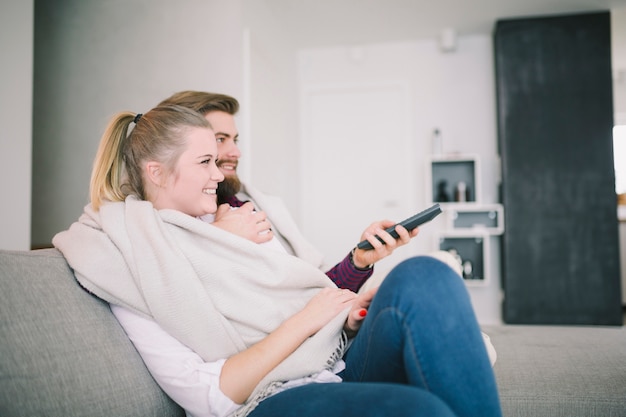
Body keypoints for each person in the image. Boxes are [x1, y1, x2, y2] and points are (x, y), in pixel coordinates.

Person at [53, 104, 502, 417]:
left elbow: (294, 290)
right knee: (419, 411)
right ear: (155, 171)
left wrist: (343, 311)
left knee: (426, 274)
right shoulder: (128, 257)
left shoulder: (236, 216)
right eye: (208, 158)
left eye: (225, 151)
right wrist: (309, 318)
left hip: (332, 356)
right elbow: (209, 397)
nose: (221, 170)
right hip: (268, 398)